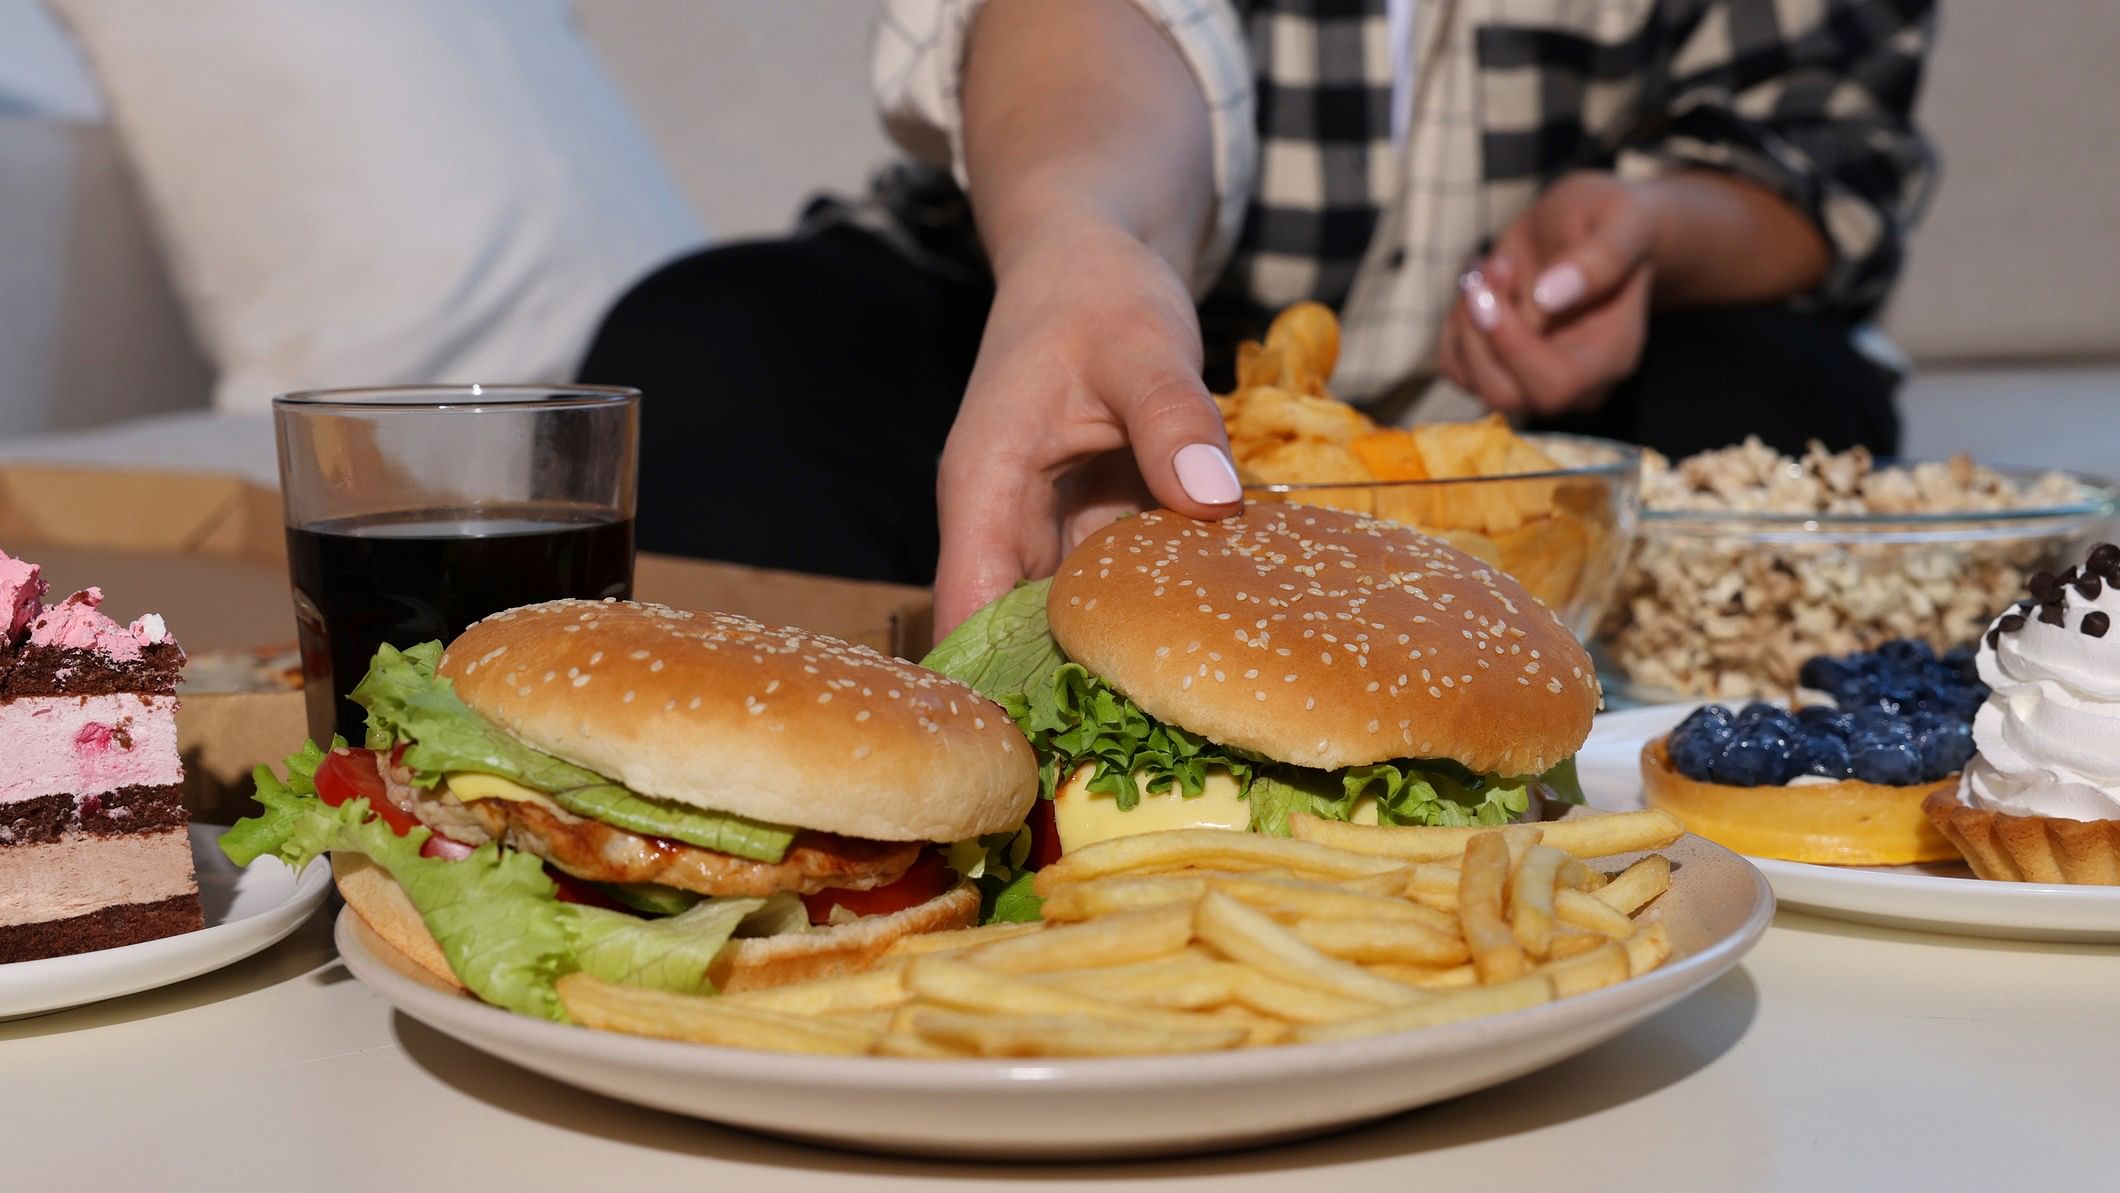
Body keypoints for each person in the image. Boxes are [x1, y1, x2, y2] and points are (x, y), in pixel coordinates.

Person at [579, 0, 1936, 635]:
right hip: (1079, 317)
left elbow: (1823, 142)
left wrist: (1658, 233)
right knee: (710, 358)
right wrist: (1083, 239)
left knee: (1791, 401)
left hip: (1552, 398)